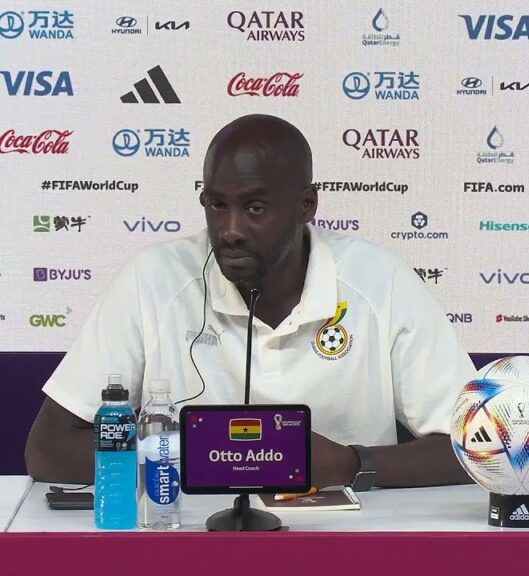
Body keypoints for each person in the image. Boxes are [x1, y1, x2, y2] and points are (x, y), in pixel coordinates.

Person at [25, 114, 477, 489]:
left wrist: (350, 465)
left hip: (345, 541)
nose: (231, 230)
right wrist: (209, 459)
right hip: (193, 540)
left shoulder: (380, 280)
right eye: (216, 205)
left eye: (255, 208)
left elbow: (478, 447)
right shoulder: (154, 278)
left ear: (306, 205)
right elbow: (49, 449)